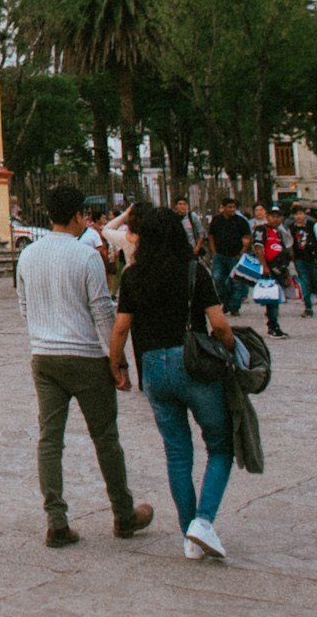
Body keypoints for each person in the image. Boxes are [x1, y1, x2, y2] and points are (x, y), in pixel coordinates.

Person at [15, 184, 154, 548]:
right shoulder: (86, 256)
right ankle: (123, 514)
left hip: (44, 355)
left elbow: (24, 307)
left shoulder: (27, 255)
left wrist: (44, 334)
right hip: (86, 356)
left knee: (50, 439)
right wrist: (117, 358)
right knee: (105, 437)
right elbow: (102, 311)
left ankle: (56, 520)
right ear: (79, 215)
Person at [110, 206, 238, 561]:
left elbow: (121, 327)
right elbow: (220, 324)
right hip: (192, 362)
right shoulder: (194, 271)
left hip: (153, 367)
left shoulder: (133, 276)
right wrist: (233, 353)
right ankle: (204, 521)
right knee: (220, 445)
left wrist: (117, 364)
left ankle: (188, 535)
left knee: (178, 453)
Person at [285, 204, 317, 317]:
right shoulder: (291, 228)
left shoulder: (313, 225)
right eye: (296, 214)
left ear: (305, 214)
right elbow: (289, 242)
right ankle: (308, 307)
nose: (299, 216)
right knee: (305, 283)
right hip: (300, 259)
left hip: (314, 258)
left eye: (300, 213)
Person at [207, 198, 251, 314]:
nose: (232, 209)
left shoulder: (240, 221)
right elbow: (211, 236)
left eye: (234, 207)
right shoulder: (216, 220)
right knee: (218, 279)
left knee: (237, 282)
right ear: (223, 207)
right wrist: (214, 252)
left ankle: (234, 306)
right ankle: (225, 302)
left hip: (235, 256)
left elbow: (247, 237)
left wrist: (242, 252)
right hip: (220, 256)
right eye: (229, 207)